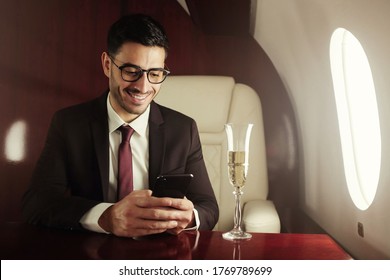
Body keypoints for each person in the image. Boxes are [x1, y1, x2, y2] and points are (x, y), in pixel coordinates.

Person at [22, 14, 219, 238]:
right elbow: (36, 204)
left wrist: (190, 216)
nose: (143, 87)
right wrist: (106, 217)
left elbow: (209, 208)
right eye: (131, 71)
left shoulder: (184, 129)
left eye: (155, 74)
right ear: (107, 64)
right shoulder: (69, 124)